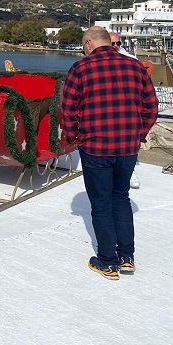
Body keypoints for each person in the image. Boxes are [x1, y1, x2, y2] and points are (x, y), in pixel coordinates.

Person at [60, 26, 158, 280]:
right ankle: (126, 258)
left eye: (83, 45)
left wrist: (74, 138)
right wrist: (138, 135)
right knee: (121, 198)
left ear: (89, 43)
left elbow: (67, 109)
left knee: (101, 204)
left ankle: (107, 261)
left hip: (95, 147)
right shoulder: (136, 67)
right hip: (127, 148)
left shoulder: (81, 68)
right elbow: (151, 107)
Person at [109, 31, 141, 189]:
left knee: (127, 141)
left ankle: (130, 171)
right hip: (108, 104)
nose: (115, 46)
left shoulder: (132, 60)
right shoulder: (98, 59)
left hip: (126, 105)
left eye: (118, 43)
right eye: (112, 43)